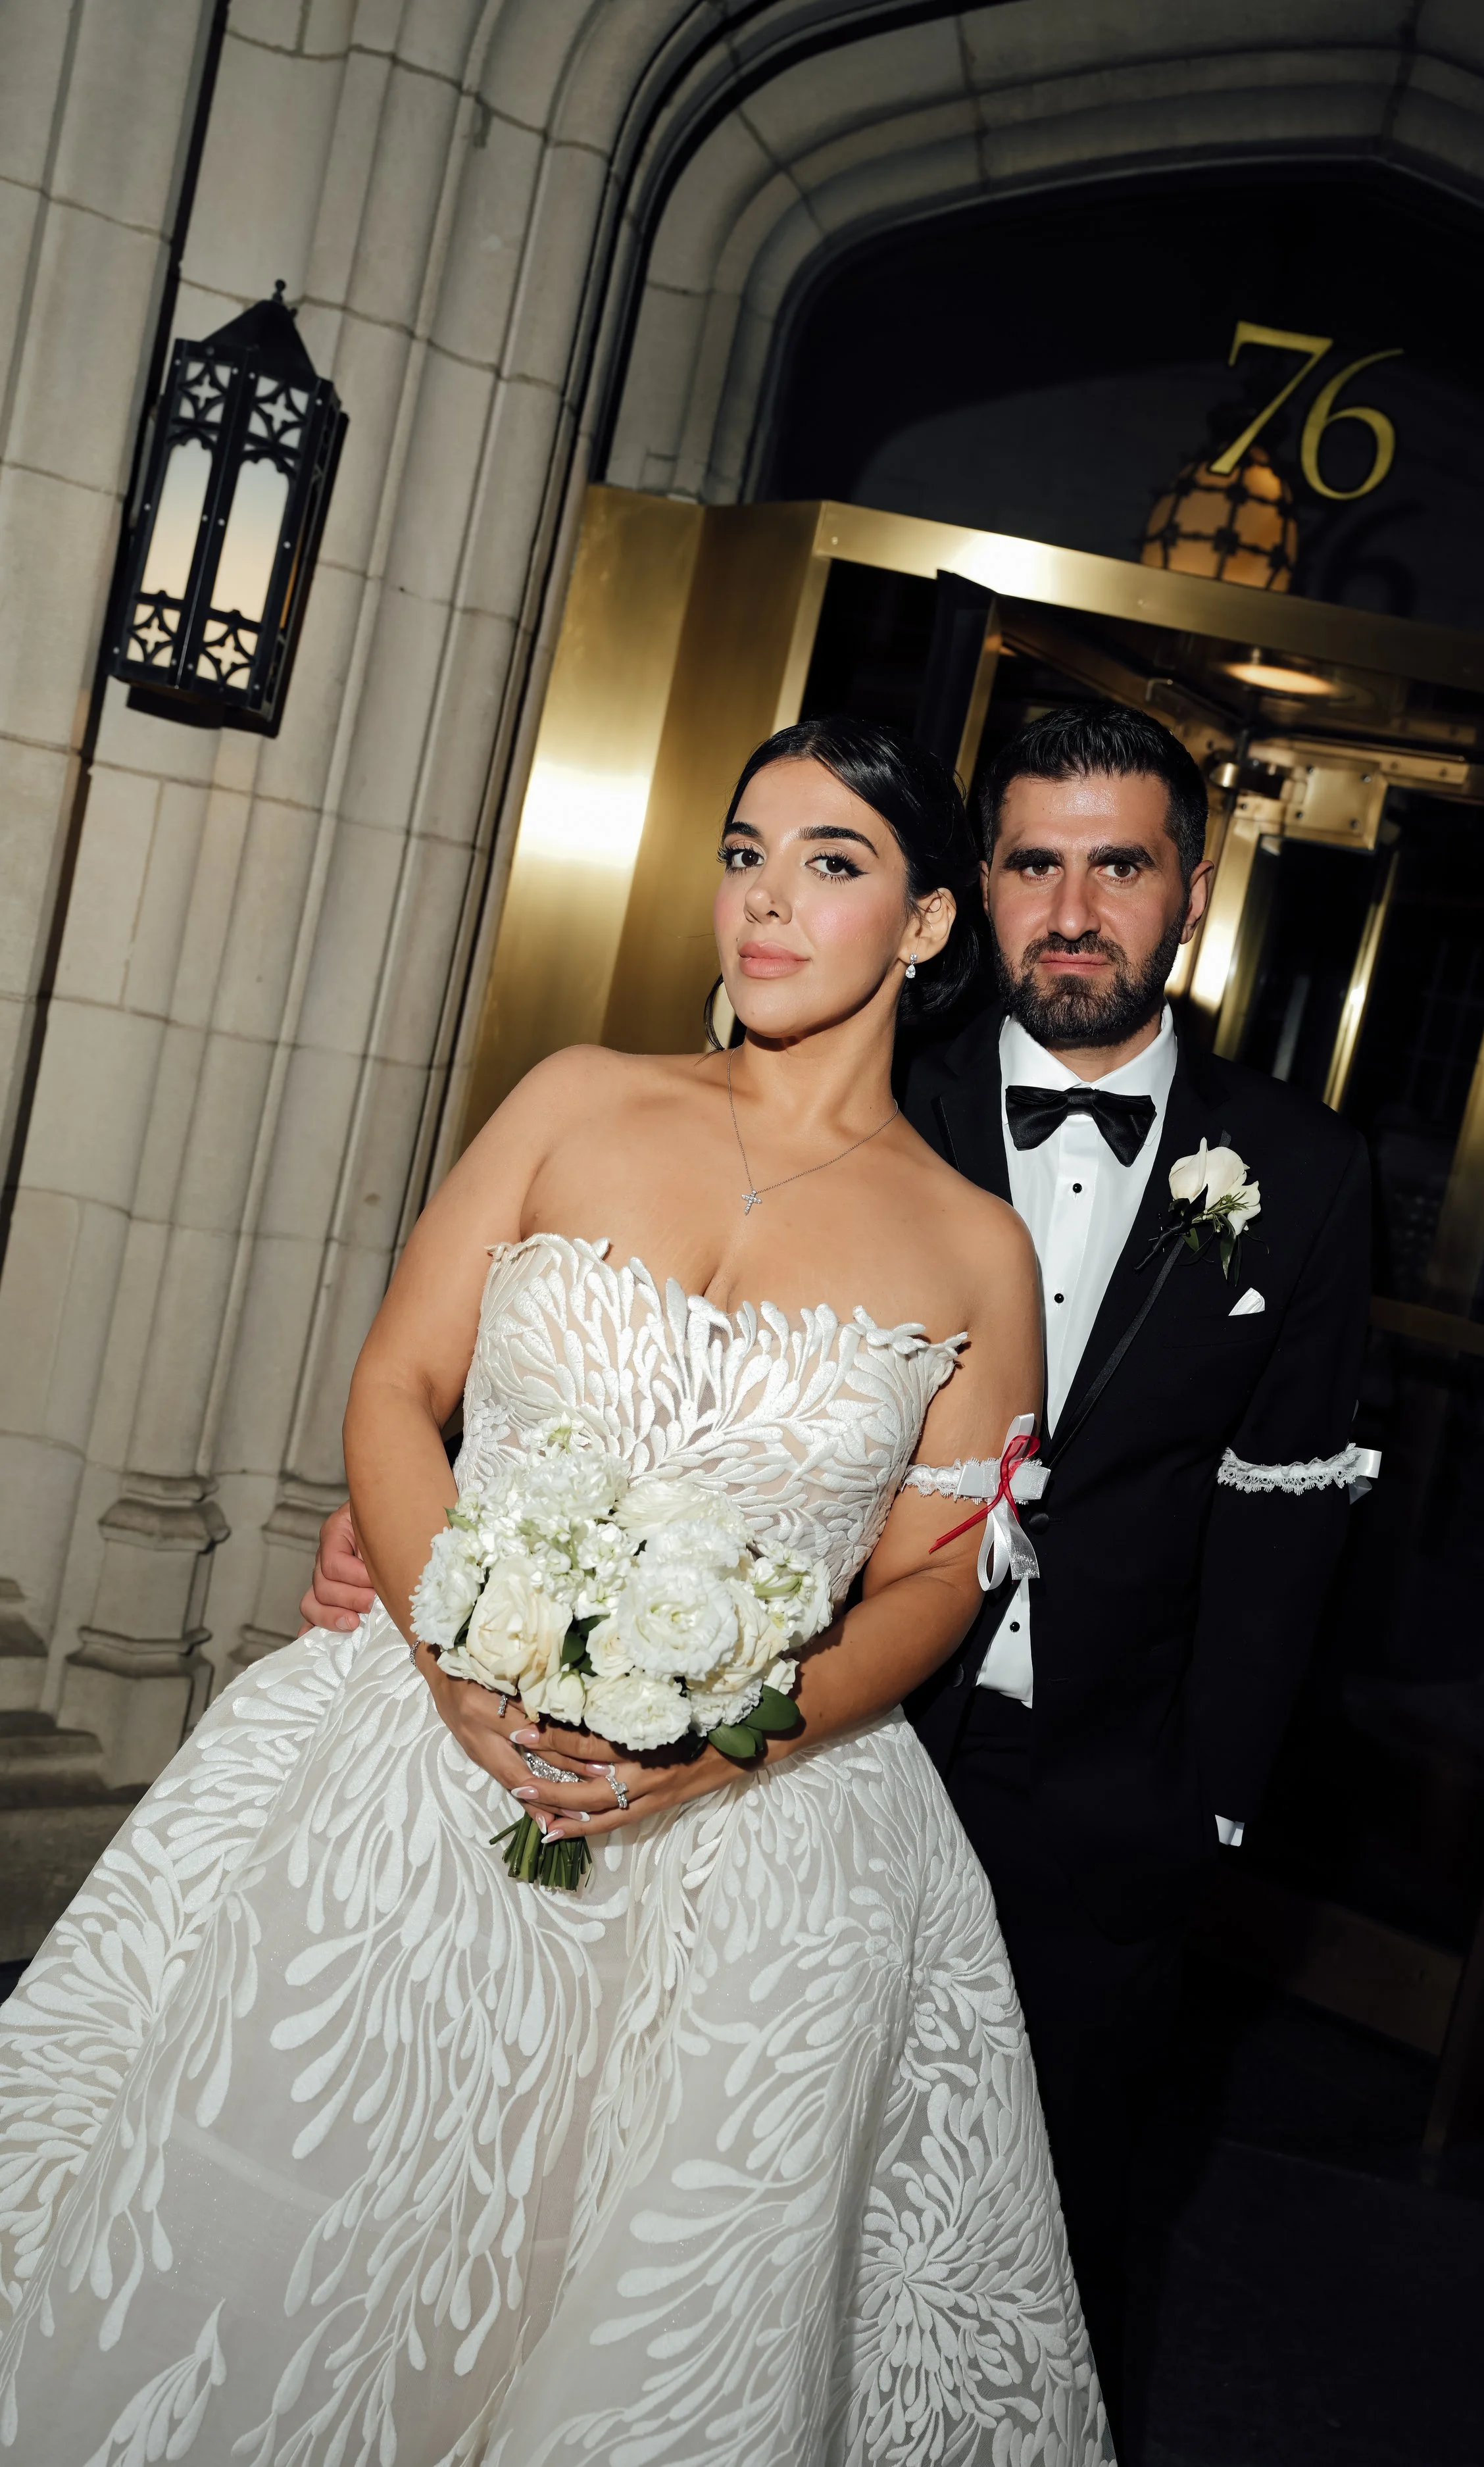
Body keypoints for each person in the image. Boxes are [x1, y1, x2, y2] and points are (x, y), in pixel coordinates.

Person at [0, 721, 1111, 2466]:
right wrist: (453, 1652)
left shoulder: (974, 1247)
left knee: (580, 2277)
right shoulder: (580, 1095)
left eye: (831, 865)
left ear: (922, 927)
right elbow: (392, 1384)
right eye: (746, 853)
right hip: (420, 1757)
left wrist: (732, 1740)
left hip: (749, 1846)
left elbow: (936, 1576)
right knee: (286, 2202)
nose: (765, 901)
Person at [902, 704, 1372, 2441]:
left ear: (1189, 890)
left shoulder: (1306, 1172)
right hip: (840, 1747)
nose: (1074, 905)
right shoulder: (880, 1092)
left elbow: (1284, 1504)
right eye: (1034, 860)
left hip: (1105, 1793)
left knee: (1054, 2219)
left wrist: (1208, 1810)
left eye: (1119, 861)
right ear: (980, 885)